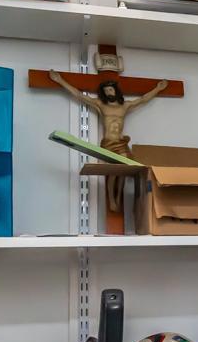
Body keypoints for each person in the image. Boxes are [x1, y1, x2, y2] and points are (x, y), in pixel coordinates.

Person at [49, 70, 169, 228]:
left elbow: (143, 99)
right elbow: (79, 95)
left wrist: (158, 89)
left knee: (125, 167)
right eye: (106, 91)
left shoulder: (125, 106)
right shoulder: (100, 105)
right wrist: (60, 80)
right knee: (113, 169)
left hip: (120, 142)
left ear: (115, 91)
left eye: (111, 89)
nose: (109, 92)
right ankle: (112, 199)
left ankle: (117, 197)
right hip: (108, 142)